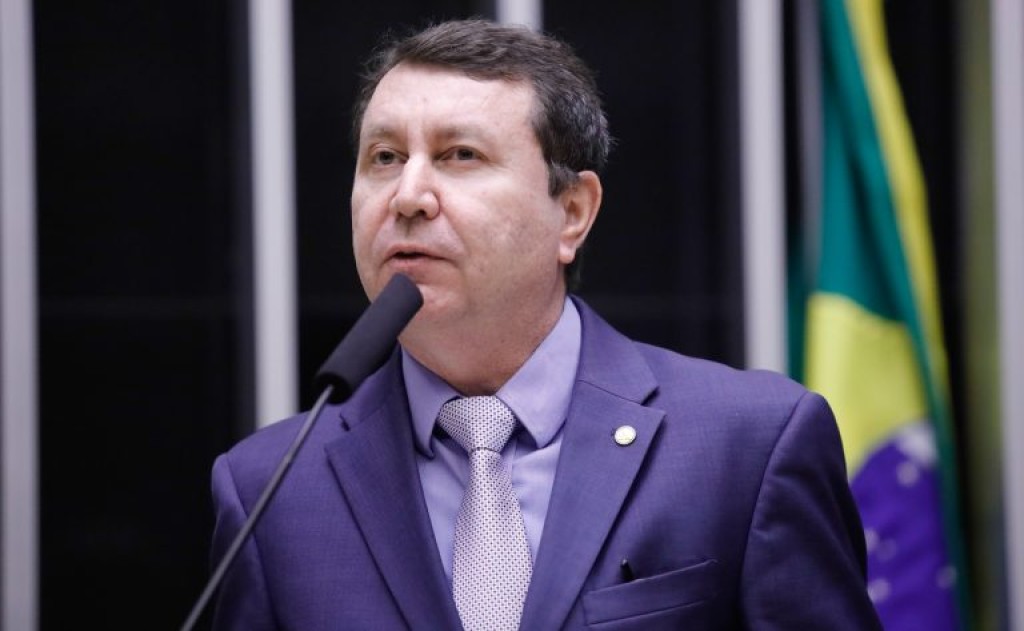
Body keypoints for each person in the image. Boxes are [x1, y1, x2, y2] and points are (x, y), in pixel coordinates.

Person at [210, 19, 882, 630]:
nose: (408, 196)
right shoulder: (270, 492)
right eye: (384, 158)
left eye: (459, 155)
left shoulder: (749, 446)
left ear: (572, 213)